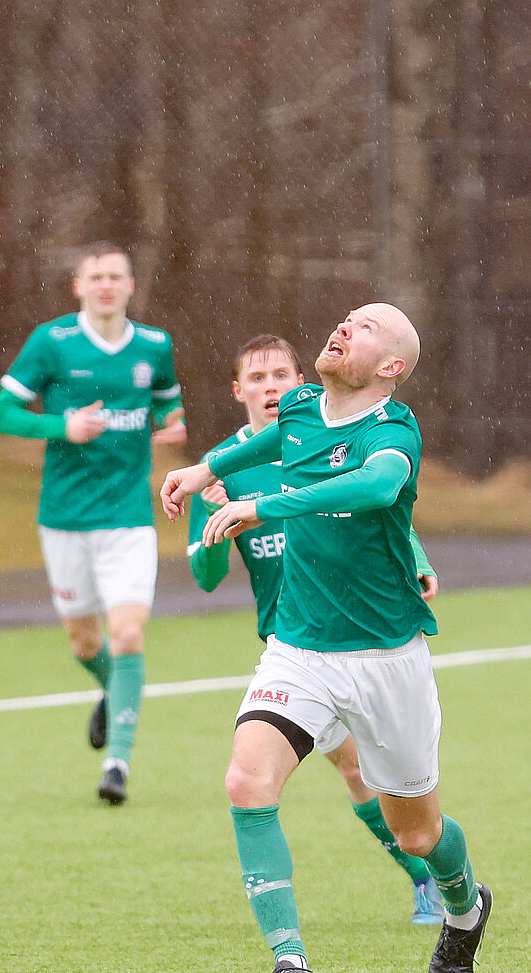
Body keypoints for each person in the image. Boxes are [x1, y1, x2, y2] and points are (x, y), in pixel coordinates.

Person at [162, 303, 489, 973]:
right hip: (299, 649)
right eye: (346, 319)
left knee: (418, 832)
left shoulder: (393, 431)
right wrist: (203, 468)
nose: (344, 328)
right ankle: (290, 962)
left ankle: (465, 905)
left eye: (366, 327)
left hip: (386, 658)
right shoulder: (306, 405)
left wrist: (268, 505)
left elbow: (375, 486)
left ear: (392, 368)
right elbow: (274, 435)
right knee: (247, 780)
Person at [189, 333, 445, 928]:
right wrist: (213, 518)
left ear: (298, 379)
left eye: (281, 374)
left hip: (360, 637)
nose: (271, 386)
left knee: (367, 779)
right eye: (258, 378)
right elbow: (204, 578)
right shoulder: (224, 467)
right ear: (239, 391)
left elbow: (382, 508)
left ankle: (428, 874)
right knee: (300, 776)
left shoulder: (322, 438)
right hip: (294, 646)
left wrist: (421, 560)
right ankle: (420, 881)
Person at [0, 243, 185, 805]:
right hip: (65, 518)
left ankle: (117, 762)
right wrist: (61, 427)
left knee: (127, 634)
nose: (105, 285)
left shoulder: (154, 345)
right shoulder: (51, 342)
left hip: (128, 517)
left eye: (115, 276)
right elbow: (0, 414)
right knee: (84, 642)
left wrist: (174, 425)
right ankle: (112, 691)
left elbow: (170, 405)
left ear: (130, 285)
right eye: (95, 276)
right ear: (78, 286)